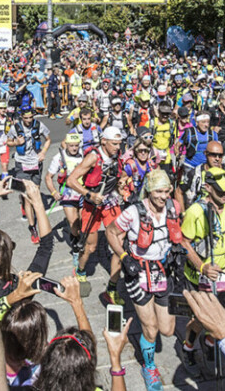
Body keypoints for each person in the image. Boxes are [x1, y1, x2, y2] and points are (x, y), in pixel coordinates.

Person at [106, 169, 182, 390]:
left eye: (166, 191)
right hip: (139, 273)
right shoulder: (133, 212)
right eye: (158, 191)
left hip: (163, 272)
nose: (163, 196)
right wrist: (124, 257)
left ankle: (150, 324)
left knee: (167, 329)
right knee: (151, 328)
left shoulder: (174, 207)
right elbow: (110, 232)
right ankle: (149, 367)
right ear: (149, 191)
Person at [179, 167, 225, 374]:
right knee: (201, 318)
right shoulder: (195, 212)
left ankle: (210, 342)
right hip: (201, 275)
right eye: (221, 190)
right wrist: (202, 266)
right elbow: (184, 243)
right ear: (208, 188)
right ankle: (188, 347)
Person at [67, 126, 127, 300]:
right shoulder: (93, 157)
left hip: (110, 203)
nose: (117, 147)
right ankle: (80, 270)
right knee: (90, 247)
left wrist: (122, 183)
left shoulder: (117, 155)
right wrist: (90, 195)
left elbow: (120, 174)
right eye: (114, 144)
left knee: (118, 244)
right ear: (104, 141)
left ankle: (112, 288)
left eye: (119, 143)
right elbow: (71, 180)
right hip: (92, 205)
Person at [8, 106, 51, 243]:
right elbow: (8, 142)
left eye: (31, 117)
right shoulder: (15, 128)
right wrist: (16, 142)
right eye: (26, 118)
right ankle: (33, 228)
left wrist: (43, 152)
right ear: (21, 117)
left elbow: (48, 139)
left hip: (36, 163)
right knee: (27, 197)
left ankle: (37, 219)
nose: (28, 120)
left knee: (36, 194)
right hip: (22, 164)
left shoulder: (39, 125)